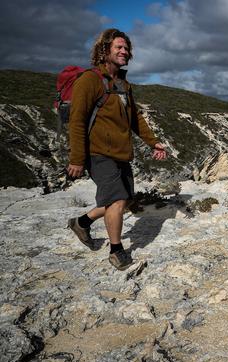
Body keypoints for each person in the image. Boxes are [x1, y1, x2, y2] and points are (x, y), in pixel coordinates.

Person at [66, 28, 167, 270]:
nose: (125, 51)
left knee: (122, 200)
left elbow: (136, 119)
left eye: (127, 48)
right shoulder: (89, 81)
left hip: (121, 153)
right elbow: (77, 120)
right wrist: (77, 159)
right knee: (118, 199)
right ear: (104, 51)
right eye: (119, 47)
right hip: (98, 153)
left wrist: (154, 142)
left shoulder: (123, 84)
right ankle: (116, 250)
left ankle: (80, 222)